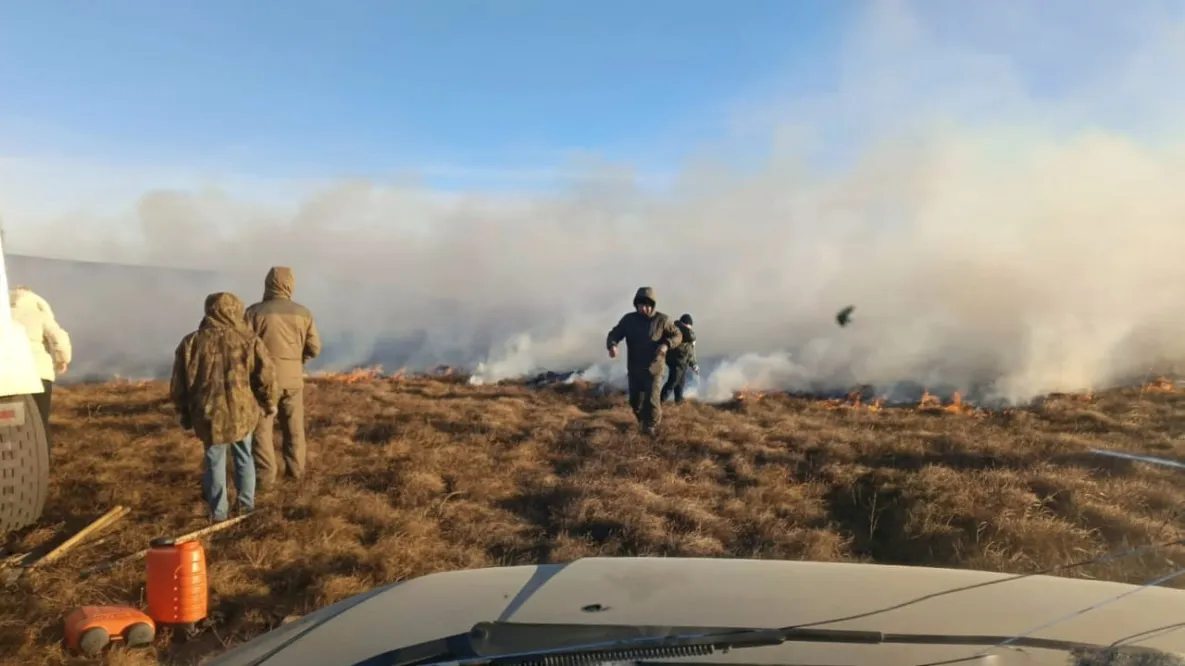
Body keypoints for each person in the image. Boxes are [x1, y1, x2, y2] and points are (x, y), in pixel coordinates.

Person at [171, 292, 279, 523]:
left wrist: (183, 412)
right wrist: (269, 402)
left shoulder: (191, 342)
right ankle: (246, 507)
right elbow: (265, 376)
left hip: (208, 413)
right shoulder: (249, 340)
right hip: (243, 413)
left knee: (214, 460)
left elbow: (180, 381)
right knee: (244, 456)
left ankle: (218, 513)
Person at [244, 266, 322, 488]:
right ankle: (296, 474)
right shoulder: (303, 313)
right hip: (293, 380)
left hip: (262, 381)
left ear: (268, 283)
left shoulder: (253, 312)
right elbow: (314, 348)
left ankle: (266, 479)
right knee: (294, 428)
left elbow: (244, 347)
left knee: (262, 430)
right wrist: (298, 361)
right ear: (290, 284)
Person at [606, 287, 682, 436]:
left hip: (654, 369)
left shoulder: (662, 320)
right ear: (636, 305)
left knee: (653, 401)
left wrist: (666, 345)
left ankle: (651, 428)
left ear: (653, 305)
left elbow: (677, 335)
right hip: (634, 369)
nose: (644, 308)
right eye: (641, 305)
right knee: (635, 402)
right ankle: (643, 421)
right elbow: (615, 333)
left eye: (647, 305)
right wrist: (612, 345)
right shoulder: (629, 320)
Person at [9, 286, 71, 454]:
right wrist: (62, 361)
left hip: (8, 378)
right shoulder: (40, 315)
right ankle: (42, 464)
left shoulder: (4, 316)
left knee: (10, 424)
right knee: (40, 422)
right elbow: (60, 339)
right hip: (38, 376)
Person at [661, 313, 698, 404]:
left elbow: (690, 353)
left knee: (680, 382)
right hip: (676, 361)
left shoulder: (686, 335)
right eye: (689, 326)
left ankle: (679, 400)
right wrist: (693, 339)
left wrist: (694, 364)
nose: (690, 328)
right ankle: (661, 400)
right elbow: (691, 335)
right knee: (673, 381)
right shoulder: (678, 327)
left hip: (683, 362)